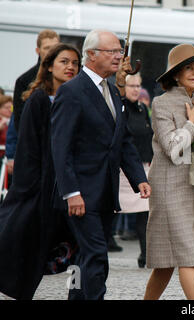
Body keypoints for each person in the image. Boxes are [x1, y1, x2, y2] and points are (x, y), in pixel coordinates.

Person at [50, 29, 151, 300]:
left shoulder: (112, 91)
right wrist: (71, 192)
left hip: (106, 193)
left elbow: (123, 140)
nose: (120, 56)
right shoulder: (72, 91)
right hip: (81, 195)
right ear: (91, 55)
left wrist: (138, 177)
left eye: (120, 50)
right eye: (113, 51)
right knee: (96, 256)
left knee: (83, 259)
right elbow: (61, 147)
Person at [0, 43, 81, 300]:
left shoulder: (74, 98)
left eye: (74, 63)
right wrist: (31, 187)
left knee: (77, 252)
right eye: (64, 62)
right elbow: (29, 148)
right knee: (24, 244)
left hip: (66, 186)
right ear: (48, 66)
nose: (70, 67)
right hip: (39, 187)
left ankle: (78, 293)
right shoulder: (38, 99)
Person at [143, 44, 194, 300]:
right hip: (168, 188)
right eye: (189, 68)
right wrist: (192, 122)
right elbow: (173, 148)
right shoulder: (161, 103)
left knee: (166, 263)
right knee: (188, 256)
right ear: (175, 73)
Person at [115, 70, 154, 268]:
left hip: (143, 166)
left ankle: (145, 254)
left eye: (139, 86)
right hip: (123, 168)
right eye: (132, 86)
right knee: (112, 209)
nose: (136, 89)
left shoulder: (142, 108)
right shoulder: (119, 107)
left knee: (145, 211)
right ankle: (101, 247)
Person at [13, 29, 59, 131]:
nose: (51, 51)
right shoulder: (24, 80)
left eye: (55, 47)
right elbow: (20, 120)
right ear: (38, 51)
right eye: (47, 48)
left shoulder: (70, 74)